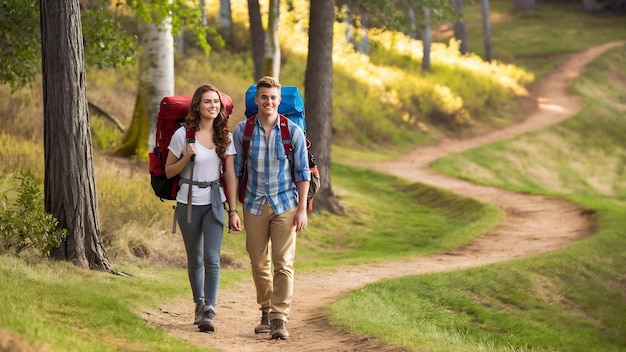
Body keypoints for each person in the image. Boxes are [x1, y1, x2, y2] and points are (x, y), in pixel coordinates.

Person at [233, 76, 311, 340]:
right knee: (258, 262)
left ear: (279, 100)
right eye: (263, 97)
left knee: (284, 264)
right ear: (256, 100)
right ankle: (265, 309)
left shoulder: (293, 132)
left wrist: (302, 209)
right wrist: (232, 208)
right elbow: (234, 171)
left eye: (273, 97)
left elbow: (302, 173)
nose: (268, 101)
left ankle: (279, 318)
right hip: (254, 204)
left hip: (286, 204)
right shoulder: (242, 131)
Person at [165, 84, 241, 333]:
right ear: (197, 105)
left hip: (214, 203)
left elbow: (229, 174)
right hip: (187, 203)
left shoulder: (224, 137)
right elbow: (168, 171)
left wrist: (233, 210)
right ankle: (198, 303)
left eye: (216, 102)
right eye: (207, 102)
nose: (213, 106)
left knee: (212, 257)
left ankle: (210, 308)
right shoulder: (182, 136)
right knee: (195, 258)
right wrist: (186, 156)